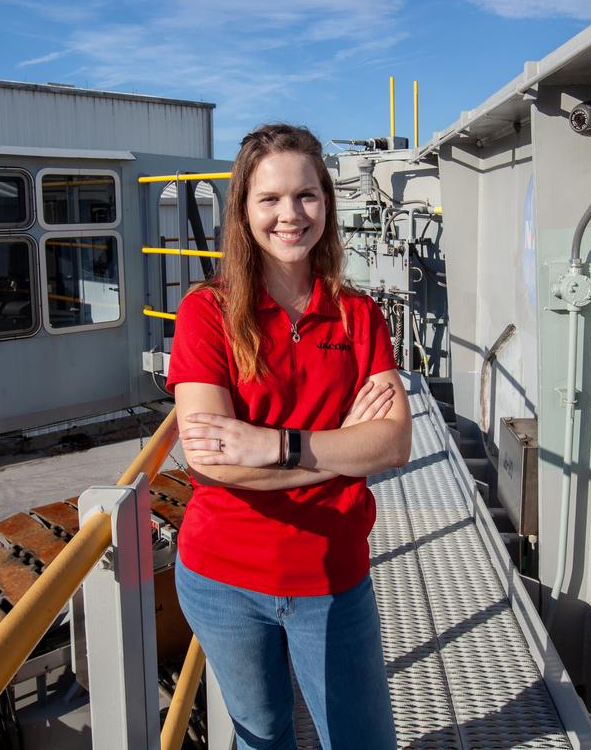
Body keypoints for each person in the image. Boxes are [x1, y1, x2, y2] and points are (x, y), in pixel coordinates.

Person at [165, 123, 411, 749]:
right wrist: (342, 450)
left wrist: (275, 446)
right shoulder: (207, 312)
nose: (290, 215)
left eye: (306, 195)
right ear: (243, 211)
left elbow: (394, 445)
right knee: (263, 738)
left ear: (327, 202)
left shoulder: (358, 314)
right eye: (269, 199)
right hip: (223, 579)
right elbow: (212, 458)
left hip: (331, 575)